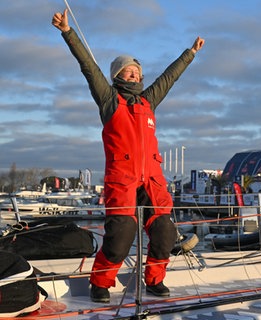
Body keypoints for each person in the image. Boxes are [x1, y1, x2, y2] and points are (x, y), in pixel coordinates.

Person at [51, 9, 205, 303]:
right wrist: (68, 32)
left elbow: (169, 77)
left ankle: (155, 279)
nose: (133, 73)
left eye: (136, 70)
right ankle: (101, 282)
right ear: (116, 76)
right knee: (120, 237)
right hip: (122, 180)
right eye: (126, 71)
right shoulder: (109, 100)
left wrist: (190, 53)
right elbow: (88, 67)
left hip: (152, 180)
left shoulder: (149, 100)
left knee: (164, 234)